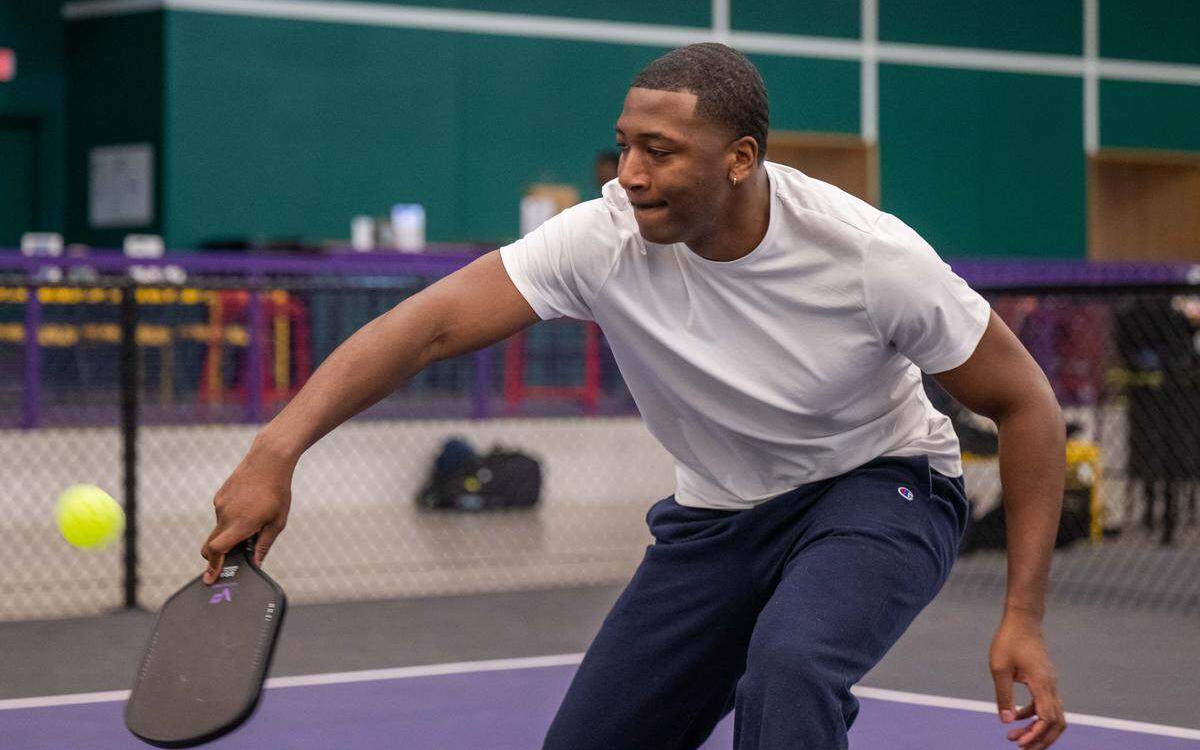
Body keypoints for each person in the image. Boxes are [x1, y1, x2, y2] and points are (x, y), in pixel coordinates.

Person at [200, 43, 1067, 749]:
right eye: (625, 145)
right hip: (719, 516)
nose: (632, 172)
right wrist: (277, 449)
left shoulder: (870, 258)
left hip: (879, 484)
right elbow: (425, 326)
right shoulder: (602, 236)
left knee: (792, 665)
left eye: (661, 151)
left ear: (740, 160)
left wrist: (1022, 613)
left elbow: (1027, 403)